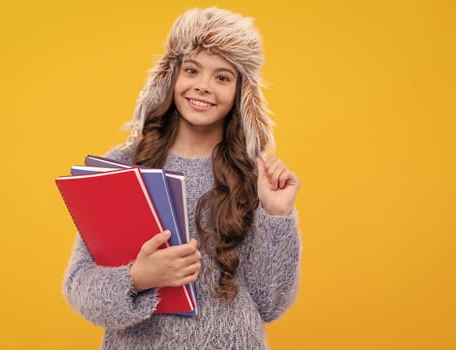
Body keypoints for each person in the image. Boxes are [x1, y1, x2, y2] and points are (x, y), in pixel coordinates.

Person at [62, 7, 302, 349]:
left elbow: (270, 304)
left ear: (240, 93)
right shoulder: (124, 166)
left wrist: (276, 214)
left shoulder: (254, 176)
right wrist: (139, 278)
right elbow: (80, 286)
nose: (203, 87)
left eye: (222, 77)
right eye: (192, 70)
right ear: (171, 77)